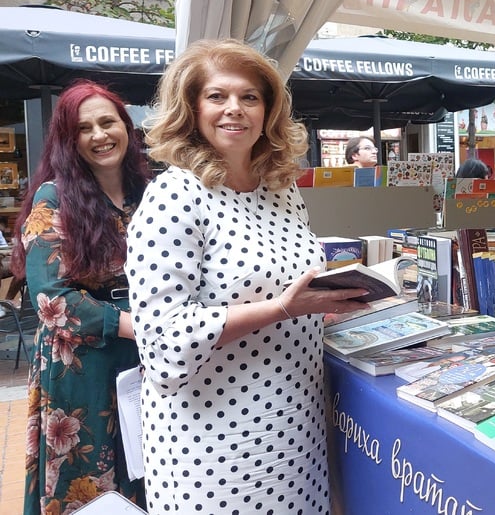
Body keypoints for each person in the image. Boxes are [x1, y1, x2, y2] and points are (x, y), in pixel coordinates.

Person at [125, 38, 370, 513]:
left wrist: (333, 304)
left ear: (268, 111)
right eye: (217, 96)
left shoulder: (281, 193)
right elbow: (163, 341)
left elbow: (295, 286)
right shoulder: (173, 197)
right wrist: (281, 308)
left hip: (295, 424)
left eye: (249, 97)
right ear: (192, 109)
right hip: (213, 440)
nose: (233, 109)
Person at [10, 80, 150, 514]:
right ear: (69, 141)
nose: (100, 135)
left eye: (108, 122)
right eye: (84, 128)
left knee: (145, 463)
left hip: (147, 353)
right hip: (84, 361)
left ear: (127, 127)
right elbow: (50, 298)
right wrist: (134, 326)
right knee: (89, 475)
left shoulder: (151, 192)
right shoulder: (55, 197)